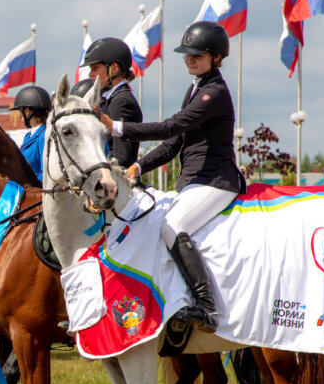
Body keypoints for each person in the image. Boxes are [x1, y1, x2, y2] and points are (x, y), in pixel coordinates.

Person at [102, 21, 243, 334]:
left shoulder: (214, 92)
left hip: (216, 180)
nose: (190, 60)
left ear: (217, 58)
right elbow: (175, 143)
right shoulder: (195, 88)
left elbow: (170, 127)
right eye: (187, 55)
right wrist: (140, 166)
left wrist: (117, 128)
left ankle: (207, 307)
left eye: (198, 55)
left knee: (172, 225)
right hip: (194, 180)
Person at [79, 37, 143, 169]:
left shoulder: (121, 101)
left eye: (95, 68)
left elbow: (121, 158)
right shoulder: (110, 99)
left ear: (114, 68)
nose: (90, 74)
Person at [8, 85, 51, 182]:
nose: (19, 117)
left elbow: (45, 172)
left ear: (27, 111)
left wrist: (27, 184)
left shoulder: (44, 135)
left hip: (36, 190)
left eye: (20, 112)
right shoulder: (28, 136)